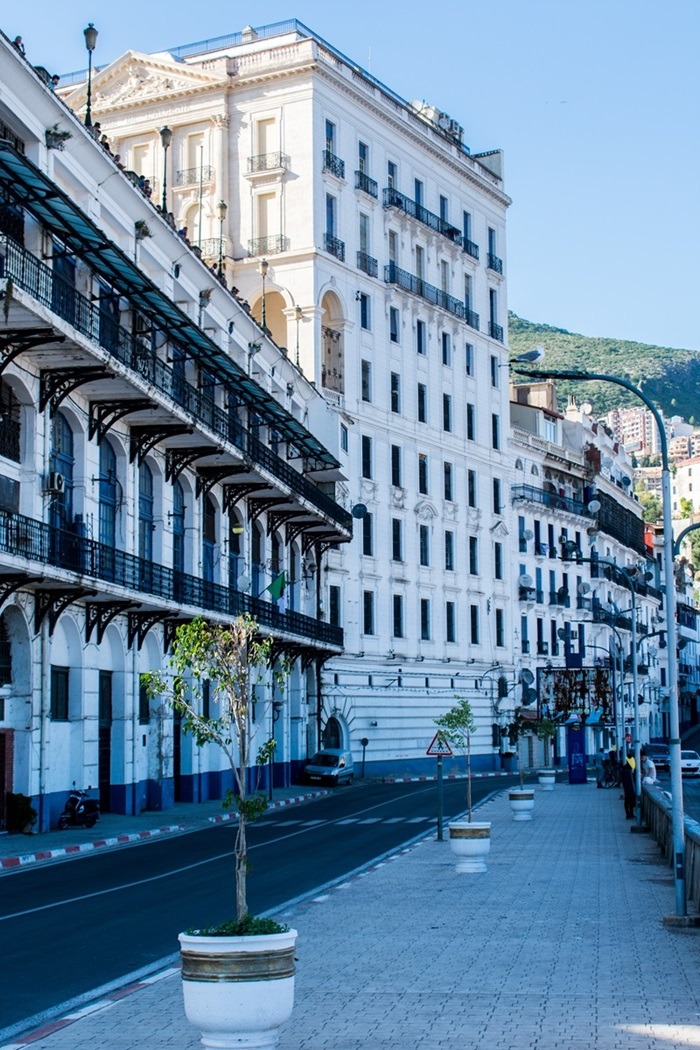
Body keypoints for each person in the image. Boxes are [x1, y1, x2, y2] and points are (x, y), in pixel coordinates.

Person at [621, 752, 636, 819]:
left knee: (627, 800)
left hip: (626, 786)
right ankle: (630, 814)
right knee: (630, 800)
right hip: (629, 787)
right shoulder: (628, 770)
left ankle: (628, 814)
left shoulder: (624, 768)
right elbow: (631, 780)